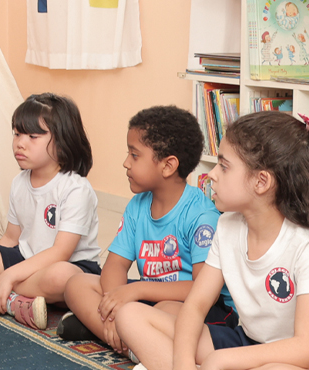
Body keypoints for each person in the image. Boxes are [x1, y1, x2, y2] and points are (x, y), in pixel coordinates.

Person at [115, 112, 309, 370]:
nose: (211, 175)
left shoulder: (302, 243)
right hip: (243, 344)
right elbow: (195, 306)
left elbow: (304, 347)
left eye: (223, 166)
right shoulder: (227, 225)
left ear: (261, 182)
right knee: (129, 314)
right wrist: (184, 365)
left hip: (288, 362)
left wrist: (215, 363)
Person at [61, 106, 230, 353]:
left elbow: (202, 289)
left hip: (191, 305)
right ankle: (123, 336)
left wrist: (135, 289)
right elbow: (116, 264)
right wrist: (112, 306)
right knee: (76, 284)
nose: (125, 162)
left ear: (168, 166)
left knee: (165, 311)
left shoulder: (202, 215)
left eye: (134, 155)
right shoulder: (137, 206)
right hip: (146, 297)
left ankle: (119, 335)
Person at [0, 93, 101, 330]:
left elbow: (60, 252)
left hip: (68, 265)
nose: (20, 143)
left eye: (33, 136)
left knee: (61, 276)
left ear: (62, 140)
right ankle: (13, 302)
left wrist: (7, 277)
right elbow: (10, 238)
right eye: (17, 133)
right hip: (25, 260)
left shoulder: (75, 188)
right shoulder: (19, 182)